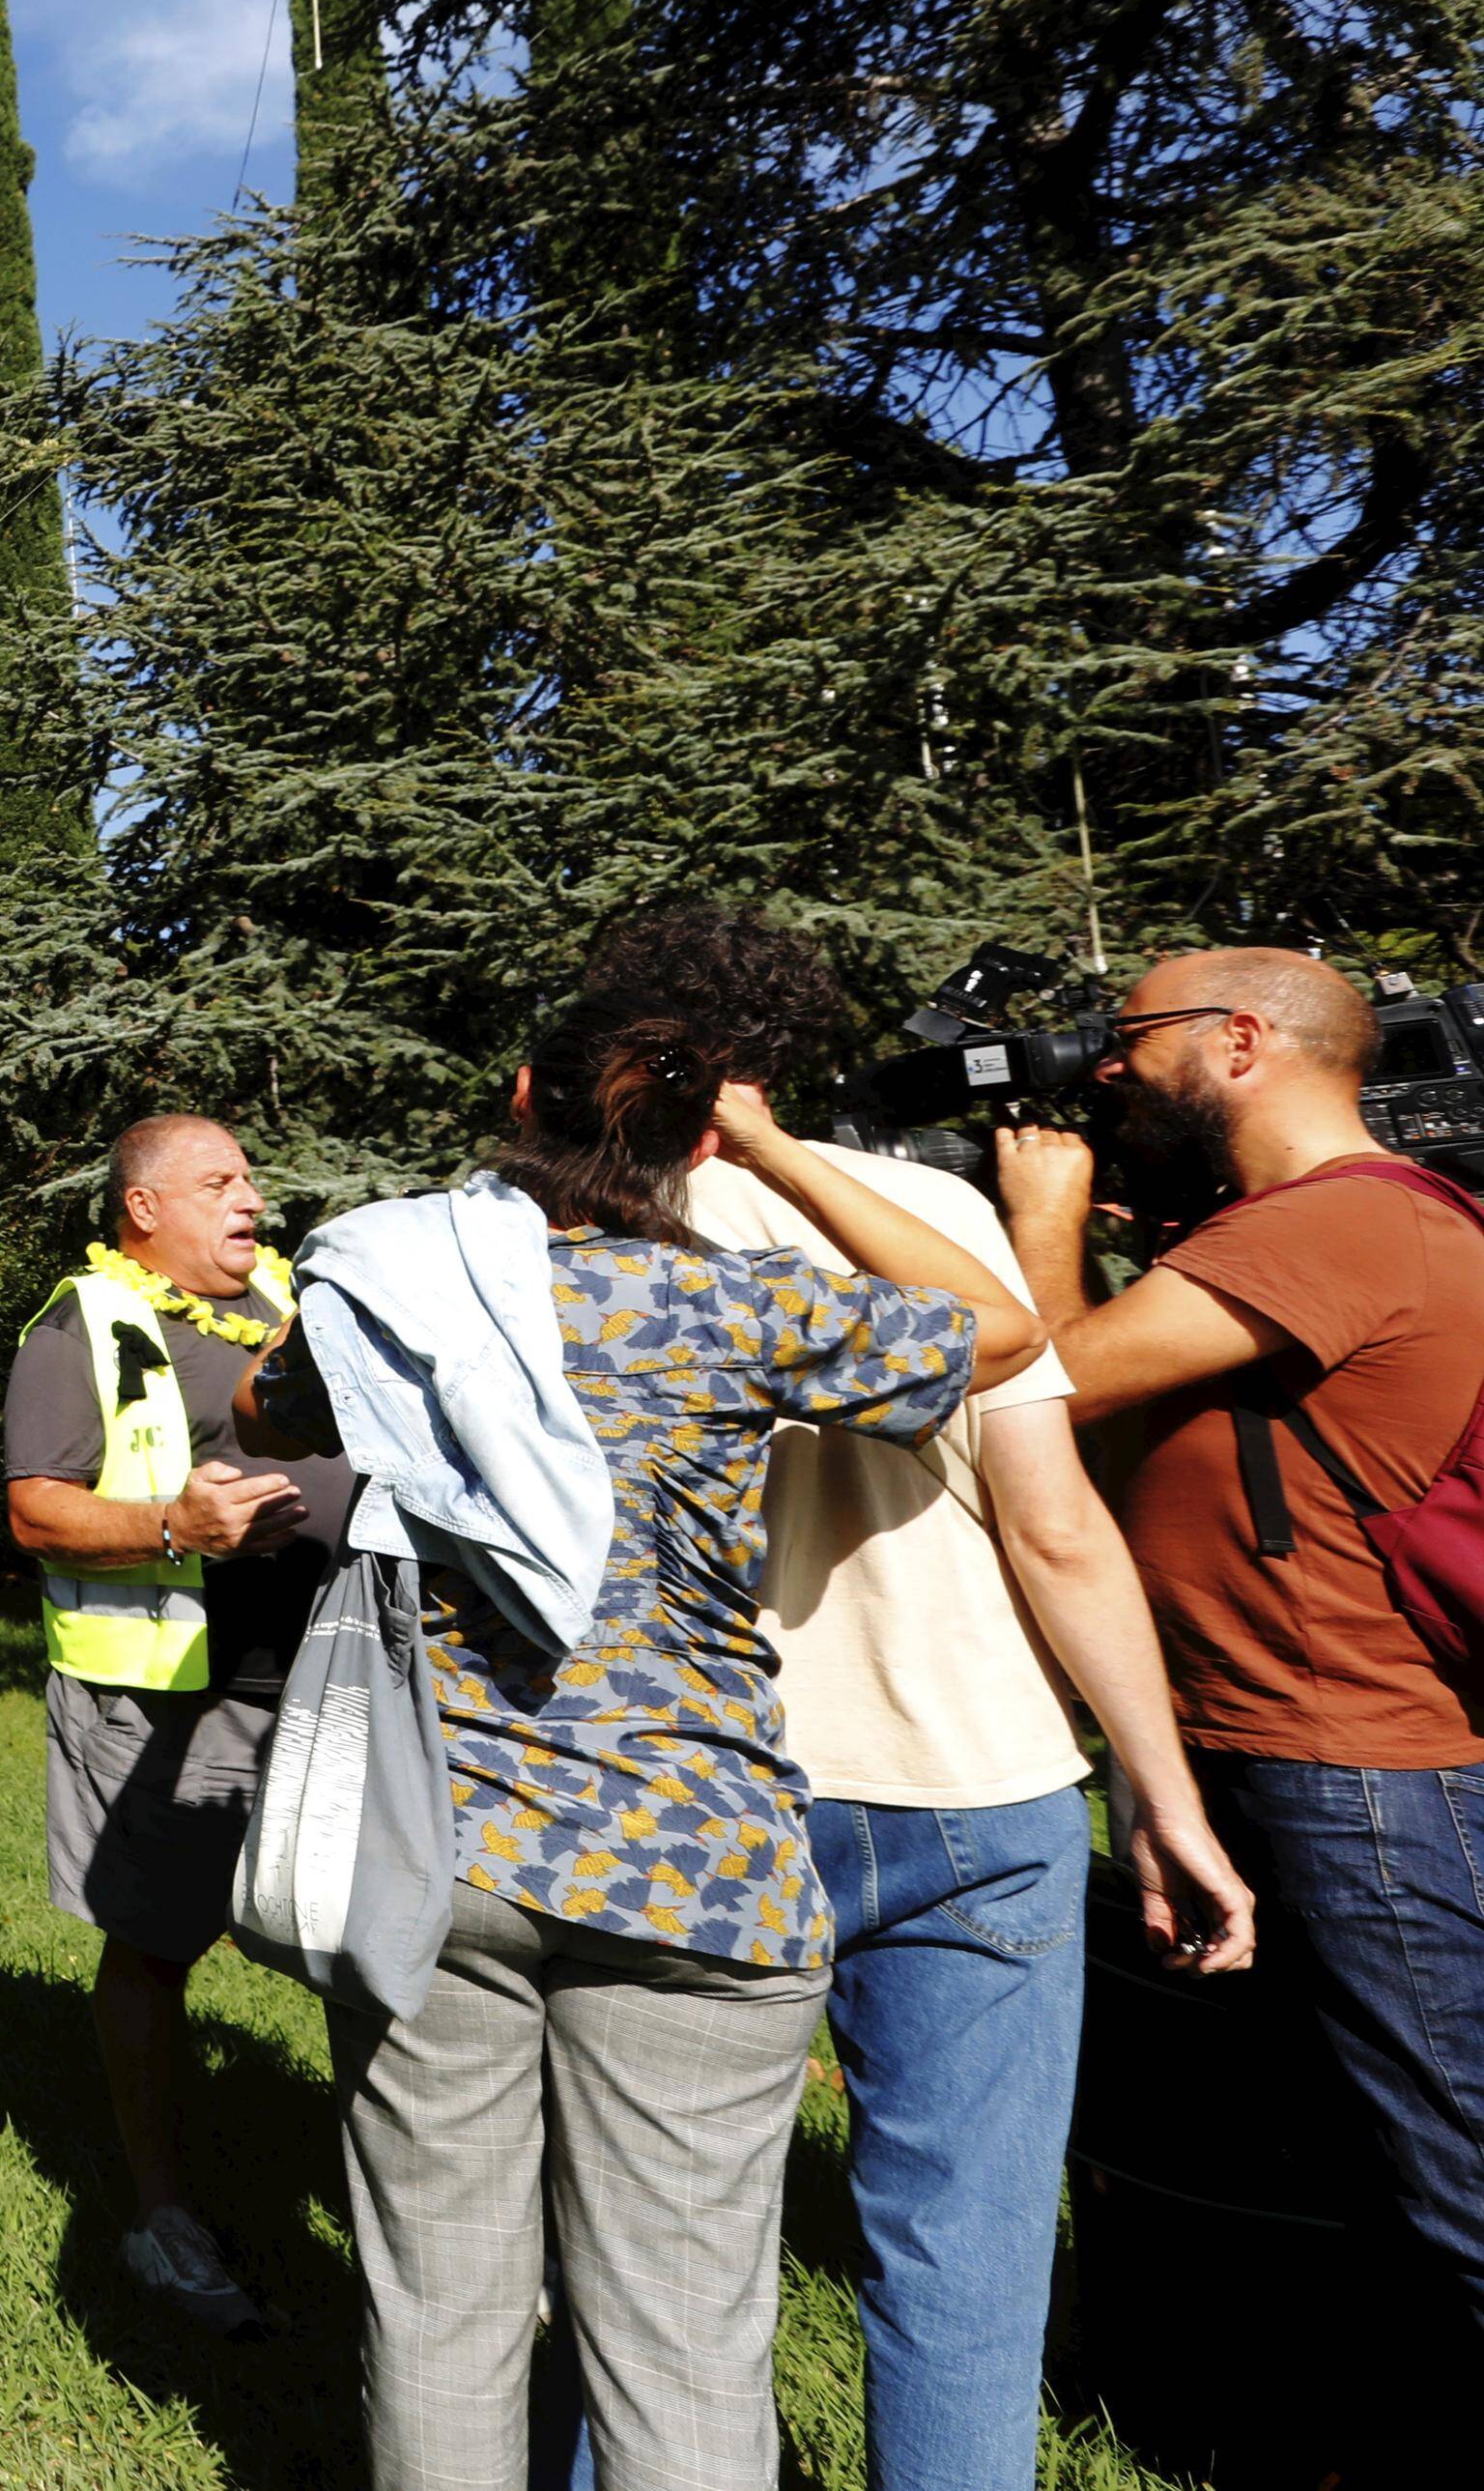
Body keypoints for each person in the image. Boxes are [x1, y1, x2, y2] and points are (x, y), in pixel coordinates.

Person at [268, 1001, 1041, 2491]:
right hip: (700, 1872)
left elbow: (267, 1404)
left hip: (445, 1856)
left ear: (517, 1095)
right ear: (698, 1134)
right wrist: (780, 1151)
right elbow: (1003, 1329)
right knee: (680, 2343)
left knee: (438, 2307)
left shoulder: (397, 1291)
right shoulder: (743, 1306)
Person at [585, 911, 1254, 2489]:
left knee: (656, 2241)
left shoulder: (575, 1241)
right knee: (969, 2250)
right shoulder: (931, 1211)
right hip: (987, 1779)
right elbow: (1056, 1523)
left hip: (712, 1793)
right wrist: (1162, 1791)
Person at [1003, 944, 1484, 2351]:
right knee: (1355, 2174)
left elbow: (1057, 1381)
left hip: (1356, 1774)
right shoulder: (1309, 1228)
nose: (1106, 1066)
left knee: (1457, 2173)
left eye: (1130, 1035)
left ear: (1239, 1041)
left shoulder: (1334, 1224)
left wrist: (1043, 1214)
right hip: (1294, 1755)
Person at [0, 1114, 340, 2335]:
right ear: (143, 1209)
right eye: (217, 1182)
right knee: (153, 1946)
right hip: (166, 1701)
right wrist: (167, 1527)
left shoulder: (286, 1302)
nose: (250, 1197)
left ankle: (389, 2187)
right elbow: (35, 1513)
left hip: (324, 1686)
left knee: (363, 1942)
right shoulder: (76, 1327)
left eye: (249, 1176)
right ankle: (159, 2215)